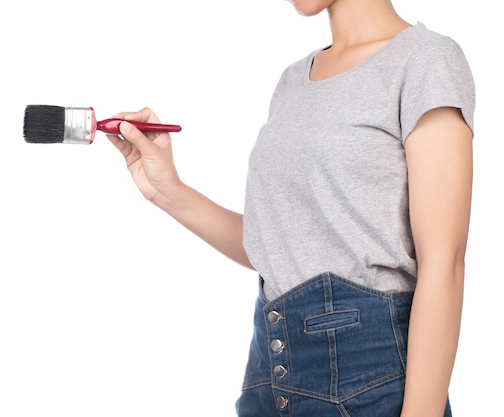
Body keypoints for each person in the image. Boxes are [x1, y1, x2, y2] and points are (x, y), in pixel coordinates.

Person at [106, 0, 475, 415]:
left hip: (370, 384)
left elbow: (445, 262)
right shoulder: (292, 81)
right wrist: (167, 191)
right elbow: (280, 247)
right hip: (267, 375)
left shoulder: (425, 59)